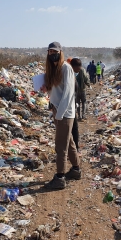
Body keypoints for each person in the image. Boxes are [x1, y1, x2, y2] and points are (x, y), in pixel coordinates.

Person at [43, 42, 81, 189]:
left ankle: (60, 177)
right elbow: (56, 92)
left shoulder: (66, 68)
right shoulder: (54, 69)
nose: (52, 54)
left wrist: (59, 115)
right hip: (57, 111)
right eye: (50, 52)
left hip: (64, 113)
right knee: (69, 142)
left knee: (60, 146)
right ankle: (76, 170)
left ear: (60, 52)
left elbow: (68, 94)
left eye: (54, 52)